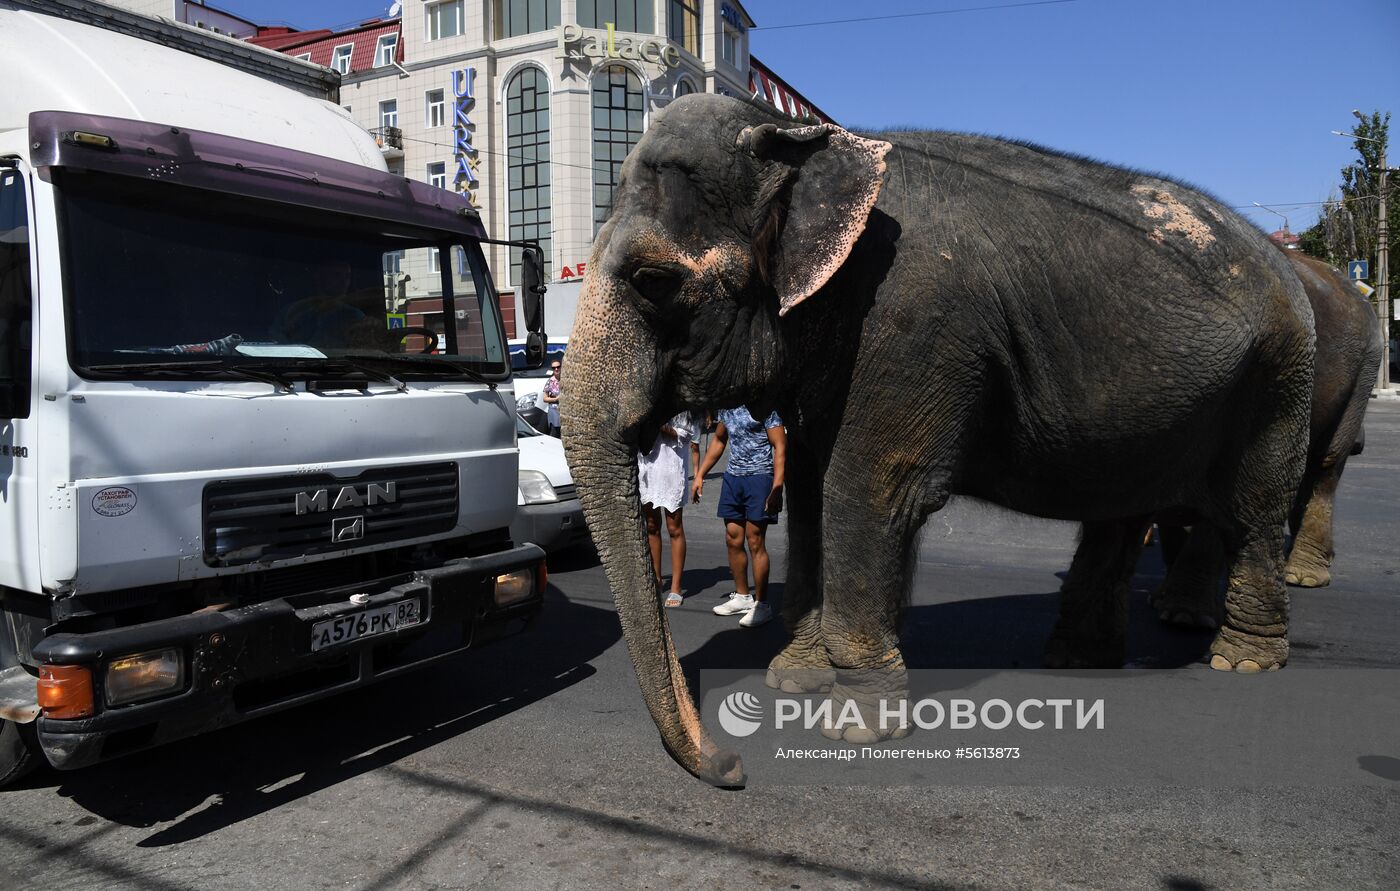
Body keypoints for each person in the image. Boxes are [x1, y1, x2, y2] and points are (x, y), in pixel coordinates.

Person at [691, 406, 785, 628]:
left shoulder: (765, 406)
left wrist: (777, 486)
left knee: (755, 540)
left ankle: (762, 605)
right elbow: (719, 440)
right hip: (733, 478)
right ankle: (743, 597)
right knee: (733, 537)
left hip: (760, 477)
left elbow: (780, 445)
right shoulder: (728, 407)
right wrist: (700, 475)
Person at [639, 412, 701, 607]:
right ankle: (656, 579)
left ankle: (676, 586)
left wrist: (656, 422)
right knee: (651, 525)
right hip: (648, 465)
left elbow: (684, 434)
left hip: (671, 468)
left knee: (674, 527)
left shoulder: (684, 409)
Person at [542, 359, 562, 437]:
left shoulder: (566, 379)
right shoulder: (550, 381)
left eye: (558, 367)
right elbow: (545, 398)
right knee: (555, 433)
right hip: (554, 410)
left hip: (565, 410)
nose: (556, 369)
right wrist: (556, 399)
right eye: (554, 368)